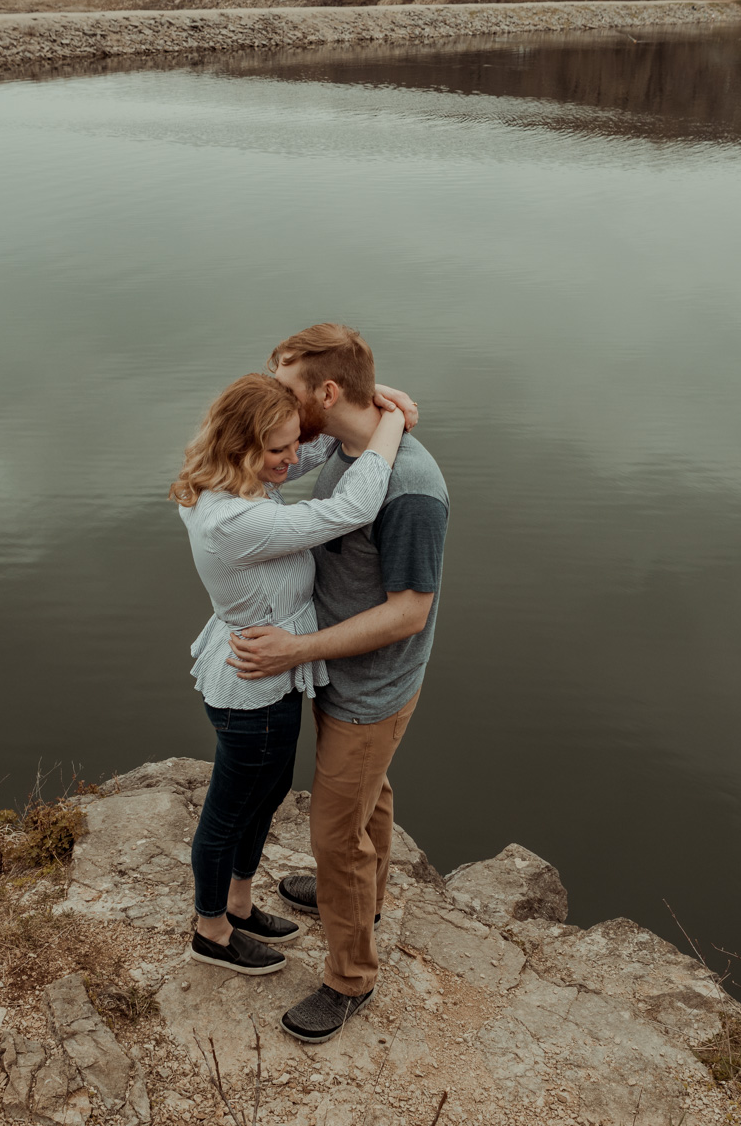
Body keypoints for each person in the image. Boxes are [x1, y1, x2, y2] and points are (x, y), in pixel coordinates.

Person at [226, 323, 450, 1045]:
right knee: (368, 800)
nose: (276, 403)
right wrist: (385, 405)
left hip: (371, 691)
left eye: (288, 390)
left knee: (333, 837)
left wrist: (297, 650)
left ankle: (350, 979)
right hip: (344, 677)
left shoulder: (412, 488)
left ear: (326, 392)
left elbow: (410, 612)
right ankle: (368, 900)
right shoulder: (350, 446)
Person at [169, 371, 412, 977]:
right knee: (229, 812)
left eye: (290, 443)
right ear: (241, 446)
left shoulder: (229, 480)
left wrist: (368, 410)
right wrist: (392, 423)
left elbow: (319, 449)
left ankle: (239, 902)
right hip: (253, 689)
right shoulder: (237, 522)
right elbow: (354, 505)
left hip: (263, 675)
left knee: (266, 796)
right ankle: (212, 931)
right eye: (277, 450)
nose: (292, 458)